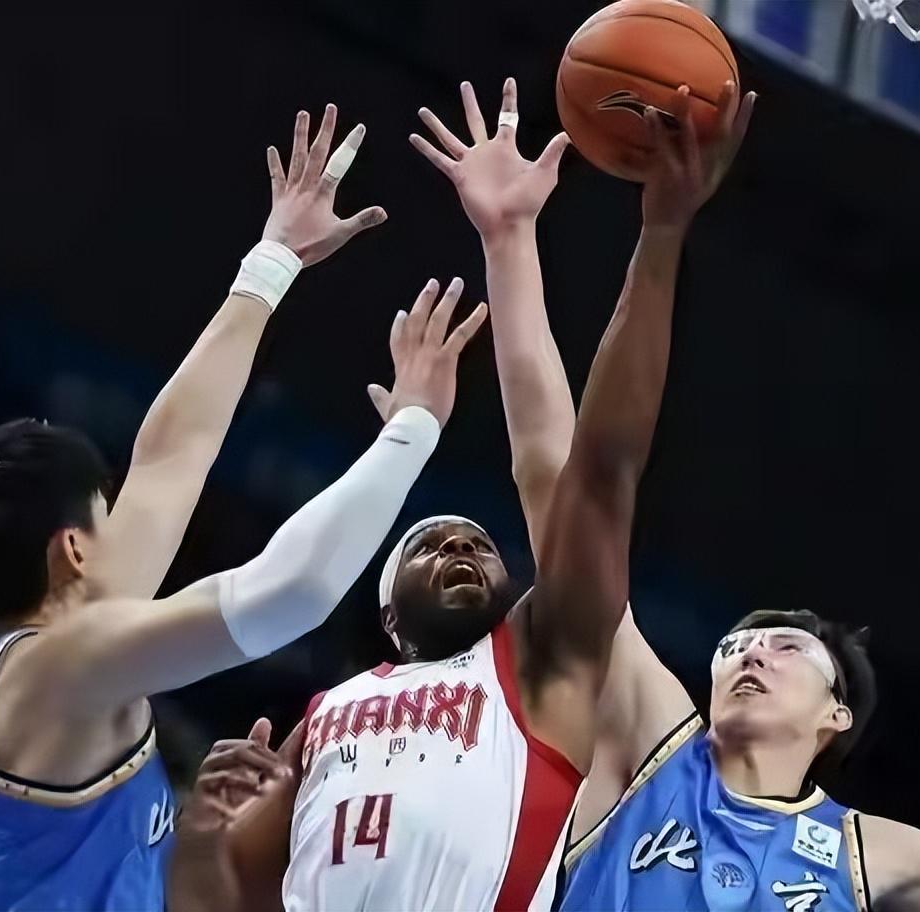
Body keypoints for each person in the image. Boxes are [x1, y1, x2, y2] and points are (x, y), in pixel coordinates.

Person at [173, 77, 755, 911]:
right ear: (387, 617)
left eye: (480, 544)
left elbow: (591, 467)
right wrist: (202, 838)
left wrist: (658, 236)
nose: (459, 546)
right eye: (429, 544)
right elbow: (220, 901)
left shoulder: (545, 659)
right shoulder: (331, 712)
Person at [0, 104, 488, 911]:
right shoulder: (56, 668)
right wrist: (412, 432)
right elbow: (287, 594)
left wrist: (273, 262)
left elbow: (172, 458)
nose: (128, 513)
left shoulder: (54, 660)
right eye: (106, 507)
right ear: (73, 548)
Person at [557, 617, 920, 909]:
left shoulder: (870, 850)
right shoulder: (651, 749)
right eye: (734, 647)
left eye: (789, 648)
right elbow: (586, 584)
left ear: (836, 713)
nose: (752, 654)